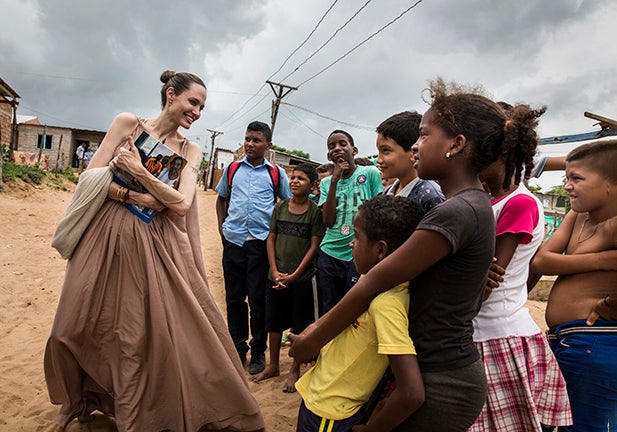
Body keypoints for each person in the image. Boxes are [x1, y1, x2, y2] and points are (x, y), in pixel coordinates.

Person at [289, 78, 543, 431]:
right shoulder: (473, 204)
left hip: (444, 381)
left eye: (424, 135)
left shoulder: (455, 212)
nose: (416, 146)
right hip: (443, 369)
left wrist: (312, 339)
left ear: (456, 144)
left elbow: (375, 279)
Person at [42, 70, 265, 432]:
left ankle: (123, 409)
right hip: (100, 237)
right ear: (171, 94)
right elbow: (91, 174)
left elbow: (181, 202)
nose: (197, 112)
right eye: (193, 102)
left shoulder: (190, 149)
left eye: (202, 107)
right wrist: (137, 196)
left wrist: (137, 173)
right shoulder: (128, 123)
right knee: (69, 325)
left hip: (151, 247)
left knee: (132, 337)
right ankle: (73, 402)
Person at [470, 103, 572, 431]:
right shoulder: (489, 199)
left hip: (495, 336)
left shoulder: (519, 203)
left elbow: (488, 278)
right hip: (482, 332)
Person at [295, 194, 426, 432]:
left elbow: (412, 393)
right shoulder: (374, 284)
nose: (351, 244)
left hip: (331, 414)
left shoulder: (386, 305)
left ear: (380, 250)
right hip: (324, 403)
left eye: (356, 237)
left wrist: (373, 429)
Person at [530, 140, 617, 432]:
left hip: (596, 342)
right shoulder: (578, 215)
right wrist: (604, 260)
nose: (567, 185)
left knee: (583, 426)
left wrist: (611, 304)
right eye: (567, 177)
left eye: (576, 178)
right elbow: (541, 261)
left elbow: (551, 261)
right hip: (567, 341)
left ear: (612, 183)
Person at [215, 121, 292, 375]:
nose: (250, 144)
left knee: (259, 300)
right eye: (247, 139)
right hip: (234, 242)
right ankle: (238, 347)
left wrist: (278, 240)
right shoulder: (233, 169)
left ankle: (258, 350)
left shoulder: (276, 173)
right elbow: (221, 199)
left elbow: (287, 205)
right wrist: (222, 230)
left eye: (256, 140)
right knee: (234, 298)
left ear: (268, 145)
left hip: (261, 245)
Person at [251, 163, 325, 392]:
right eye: (293, 178)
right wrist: (274, 271)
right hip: (276, 278)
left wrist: (295, 275)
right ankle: (273, 365)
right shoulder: (280, 208)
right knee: (273, 322)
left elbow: (313, 246)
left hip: (301, 280)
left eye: (301, 179)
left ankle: (294, 369)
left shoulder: (315, 212)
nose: (294, 181)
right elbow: (270, 239)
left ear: (313, 185)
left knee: (299, 325)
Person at [317, 130, 382, 315]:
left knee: (355, 309)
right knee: (329, 308)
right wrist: (335, 181)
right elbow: (328, 221)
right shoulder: (327, 183)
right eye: (332, 146)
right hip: (330, 253)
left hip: (359, 254)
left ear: (354, 150)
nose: (337, 148)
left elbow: (378, 210)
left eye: (342, 144)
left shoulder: (369, 173)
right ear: (329, 155)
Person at [376, 111, 444, 212]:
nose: (379, 160)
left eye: (385, 150)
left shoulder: (430, 197)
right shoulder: (387, 193)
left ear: (413, 153)